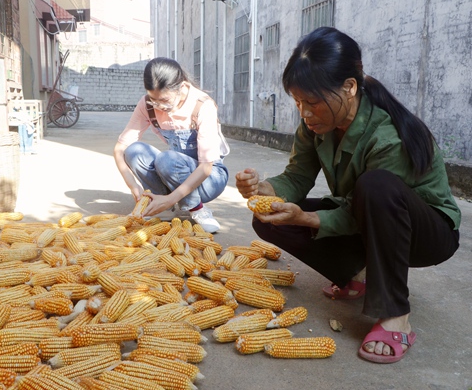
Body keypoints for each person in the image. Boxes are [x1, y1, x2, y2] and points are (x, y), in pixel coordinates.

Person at [235, 27, 460, 363]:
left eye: (312, 102)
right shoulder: (315, 125)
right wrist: (264, 189)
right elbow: (297, 176)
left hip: (424, 233)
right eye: (297, 101)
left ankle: (396, 314)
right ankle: (356, 275)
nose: (304, 112)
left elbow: (368, 203)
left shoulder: (386, 134)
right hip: (366, 219)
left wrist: (308, 217)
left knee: (376, 186)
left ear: (350, 87)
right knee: (268, 220)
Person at [114, 57, 230, 233]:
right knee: (134, 150)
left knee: (167, 159)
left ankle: (197, 208)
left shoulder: (202, 105)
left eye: (165, 101)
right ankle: (162, 204)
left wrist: (171, 198)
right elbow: (119, 149)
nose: (160, 106)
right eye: (154, 100)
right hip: (176, 172)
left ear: (182, 87)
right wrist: (133, 186)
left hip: (210, 178)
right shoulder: (147, 104)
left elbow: (206, 167)